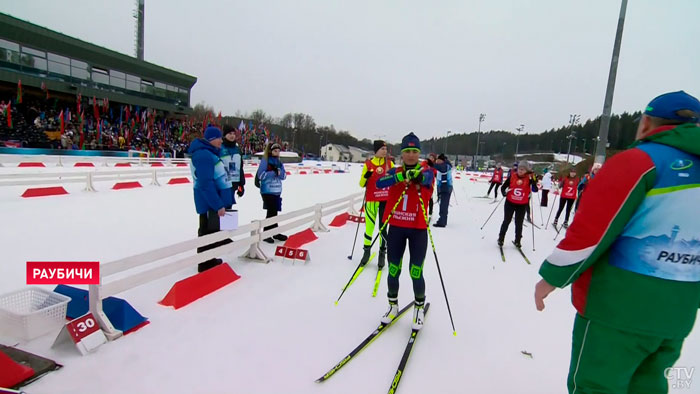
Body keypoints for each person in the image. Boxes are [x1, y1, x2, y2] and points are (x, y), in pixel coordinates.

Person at [534, 90, 700, 393]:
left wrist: (552, 277)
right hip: (677, 313)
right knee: (648, 387)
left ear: (646, 123)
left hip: (617, 309)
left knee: (596, 386)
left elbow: (592, 229)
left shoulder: (640, 161)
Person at [376, 132, 434, 330]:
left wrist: (417, 175)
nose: (410, 155)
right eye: (407, 151)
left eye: (414, 151)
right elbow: (379, 183)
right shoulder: (394, 171)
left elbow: (426, 179)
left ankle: (418, 308)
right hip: (397, 228)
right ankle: (393, 306)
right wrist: (401, 176)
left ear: (418, 153)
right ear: (402, 153)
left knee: (415, 271)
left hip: (418, 230)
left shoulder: (427, 171)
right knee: (394, 270)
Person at [188, 126, 234, 272]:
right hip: (210, 203)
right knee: (207, 231)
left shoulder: (209, 153)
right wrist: (218, 204)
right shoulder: (203, 156)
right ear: (211, 140)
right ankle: (205, 263)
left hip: (214, 202)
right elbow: (205, 183)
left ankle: (209, 259)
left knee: (212, 231)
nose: (221, 140)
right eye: (219, 138)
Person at [358, 140, 394, 268]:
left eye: (386, 149)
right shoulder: (368, 164)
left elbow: (396, 181)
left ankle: (382, 253)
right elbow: (361, 184)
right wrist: (366, 177)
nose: (385, 151)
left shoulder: (390, 163)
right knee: (369, 227)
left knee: (383, 228)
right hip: (372, 200)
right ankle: (366, 252)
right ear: (376, 150)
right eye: (382, 149)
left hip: (385, 200)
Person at [498, 160, 538, 248]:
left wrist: (534, 179)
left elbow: (535, 189)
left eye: (523, 169)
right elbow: (503, 187)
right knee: (506, 221)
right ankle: (501, 238)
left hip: (522, 204)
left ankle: (518, 240)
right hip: (510, 203)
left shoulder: (529, 178)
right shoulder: (512, 176)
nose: (520, 171)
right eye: (520, 168)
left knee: (519, 223)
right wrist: (504, 193)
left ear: (526, 170)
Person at [256, 142, 287, 243]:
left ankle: (274, 232)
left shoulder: (279, 162)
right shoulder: (266, 161)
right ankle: (266, 233)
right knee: (271, 211)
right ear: (270, 151)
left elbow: (284, 175)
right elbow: (260, 175)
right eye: (275, 151)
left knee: (275, 212)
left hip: (276, 190)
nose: (277, 153)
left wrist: (279, 172)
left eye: (278, 151)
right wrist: (273, 172)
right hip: (267, 190)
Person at [220, 127, 245, 205]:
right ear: (224, 135)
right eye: (230, 133)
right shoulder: (220, 148)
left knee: (229, 207)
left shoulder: (237, 149)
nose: (232, 136)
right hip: (222, 182)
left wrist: (241, 184)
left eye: (234, 134)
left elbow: (240, 167)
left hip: (234, 182)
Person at [433, 153, 453, 227]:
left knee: (443, 205)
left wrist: (431, 163)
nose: (437, 162)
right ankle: (442, 219)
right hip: (444, 187)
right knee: (443, 204)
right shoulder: (444, 165)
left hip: (446, 188)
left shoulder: (445, 166)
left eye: (438, 160)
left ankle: (442, 221)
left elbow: (440, 168)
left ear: (442, 160)